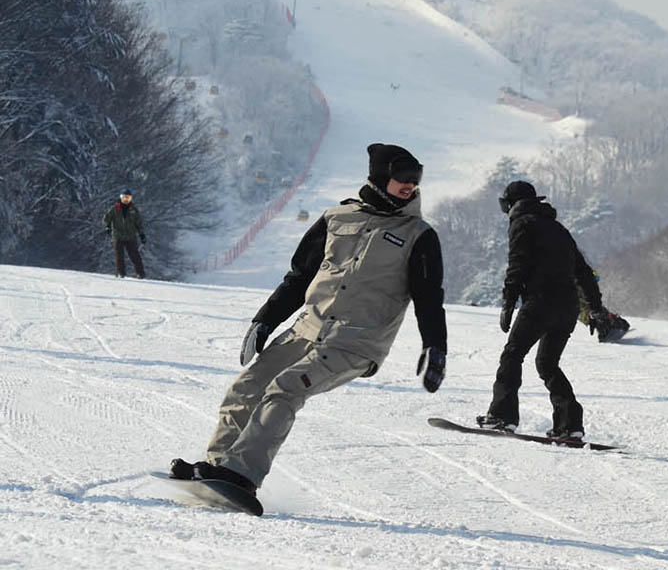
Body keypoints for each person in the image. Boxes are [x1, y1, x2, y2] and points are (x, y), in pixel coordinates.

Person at [169, 143, 448, 495]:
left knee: (284, 390)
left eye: (415, 178)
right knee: (247, 386)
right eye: (402, 177)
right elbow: (299, 277)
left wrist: (435, 345)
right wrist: (265, 320)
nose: (410, 185)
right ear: (380, 176)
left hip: (356, 342)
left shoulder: (419, 236)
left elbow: (429, 297)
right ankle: (219, 467)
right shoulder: (337, 218)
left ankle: (242, 475)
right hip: (308, 328)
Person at [479, 180, 605, 440]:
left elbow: (517, 266)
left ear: (511, 204)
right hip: (568, 307)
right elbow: (583, 271)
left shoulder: (521, 224)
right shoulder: (559, 229)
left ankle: (502, 417)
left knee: (512, 355)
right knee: (547, 363)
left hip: (540, 302)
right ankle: (569, 424)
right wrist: (595, 308)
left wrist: (507, 303)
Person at [577, 270, 631, 343]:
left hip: (590, 309)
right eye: (594, 279)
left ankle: (616, 326)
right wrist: (591, 314)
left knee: (604, 314)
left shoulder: (590, 289)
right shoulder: (581, 288)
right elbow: (582, 305)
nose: (595, 283)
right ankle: (605, 333)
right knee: (599, 316)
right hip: (583, 311)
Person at [103, 190, 146, 278]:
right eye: (124, 197)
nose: (126, 200)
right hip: (118, 236)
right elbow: (106, 219)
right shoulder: (115, 209)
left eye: (128, 198)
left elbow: (138, 223)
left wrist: (141, 234)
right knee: (119, 255)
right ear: (121, 198)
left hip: (130, 236)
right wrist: (107, 227)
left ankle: (140, 273)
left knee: (135, 255)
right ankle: (120, 273)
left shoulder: (133, 210)